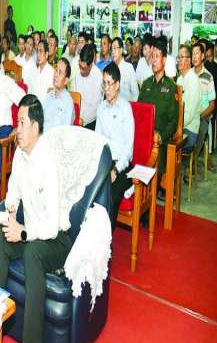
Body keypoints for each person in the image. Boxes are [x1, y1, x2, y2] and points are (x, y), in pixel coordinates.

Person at [0, 94, 69, 343]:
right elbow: (13, 193)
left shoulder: (48, 161)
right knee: (2, 237)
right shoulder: (22, 154)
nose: (17, 128)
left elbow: (50, 225)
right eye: (17, 121)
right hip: (34, 230)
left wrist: (22, 231)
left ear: (35, 127)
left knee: (33, 251)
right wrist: (11, 214)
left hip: (57, 239)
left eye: (21, 123)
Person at [95, 62, 135, 222]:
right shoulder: (101, 108)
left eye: (109, 83)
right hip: (105, 162)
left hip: (122, 166)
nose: (106, 88)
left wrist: (115, 171)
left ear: (117, 85)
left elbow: (128, 151)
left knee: (110, 197)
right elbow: (98, 141)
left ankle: (106, 237)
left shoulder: (125, 109)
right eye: (103, 83)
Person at [138, 41, 178, 180]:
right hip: (144, 138)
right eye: (152, 57)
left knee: (154, 173)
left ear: (164, 60)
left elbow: (173, 121)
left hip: (161, 141)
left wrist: (161, 137)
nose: (153, 60)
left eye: (157, 56)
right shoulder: (146, 84)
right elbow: (139, 113)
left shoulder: (171, 87)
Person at [191, 43, 216, 170]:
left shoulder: (208, 76)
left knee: (200, 130)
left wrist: (200, 115)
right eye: (192, 54)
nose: (194, 56)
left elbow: (212, 105)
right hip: (188, 115)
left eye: (197, 53)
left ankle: (192, 164)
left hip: (202, 116)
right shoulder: (188, 74)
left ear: (202, 56)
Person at [177, 43, 203, 152]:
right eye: (178, 57)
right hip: (179, 126)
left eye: (181, 57)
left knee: (166, 145)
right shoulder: (179, 79)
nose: (178, 60)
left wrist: (174, 126)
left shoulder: (193, 81)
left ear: (189, 60)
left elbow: (189, 115)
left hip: (189, 131)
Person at [73, 44, 103, 129]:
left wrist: (83, 120)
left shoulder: (98, 77)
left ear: (91, 64)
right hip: (76, 118)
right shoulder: (78, 73)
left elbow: (96, 108)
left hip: (90, 121)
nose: (81, 70)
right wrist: (76, 117)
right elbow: (75, 98)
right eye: (80, 66)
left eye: (84, 68)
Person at [42, 58, 74, 131]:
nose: (56, 75)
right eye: (56, 70)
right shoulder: (48, 96)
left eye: (60, 72)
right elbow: (41, 119)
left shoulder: (68, 103)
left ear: (66, 81)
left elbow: (66, 131)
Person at [111, 36, 138, 102]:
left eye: (115, 48)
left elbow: (136, 94)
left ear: (121, 50)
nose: (113, 52)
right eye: (111, 49)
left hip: (127, 106)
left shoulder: (129, 68)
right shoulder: (110, 69)